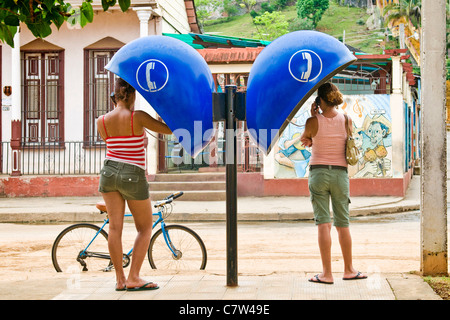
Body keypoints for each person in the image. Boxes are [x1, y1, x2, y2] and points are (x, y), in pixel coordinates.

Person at [97, 78, 172, 291]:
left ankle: (120, 280)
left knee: (114, 227)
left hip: (108, 172)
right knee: (145, 227)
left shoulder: (101, 120)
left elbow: (112, 143)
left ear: (115, 96)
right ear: (132, 95)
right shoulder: (137, 117)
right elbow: (168, 130)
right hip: (133, 173)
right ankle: (134, 277)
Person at [300, 82, 367, 284]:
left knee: (323, 224)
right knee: (343, 224)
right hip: (340, 175)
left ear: (320, 100)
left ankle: (326, 274)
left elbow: (305, 140)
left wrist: (313, 115)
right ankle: (348, 269)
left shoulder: (312, 121)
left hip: (318, 173)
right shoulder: (347, 120)